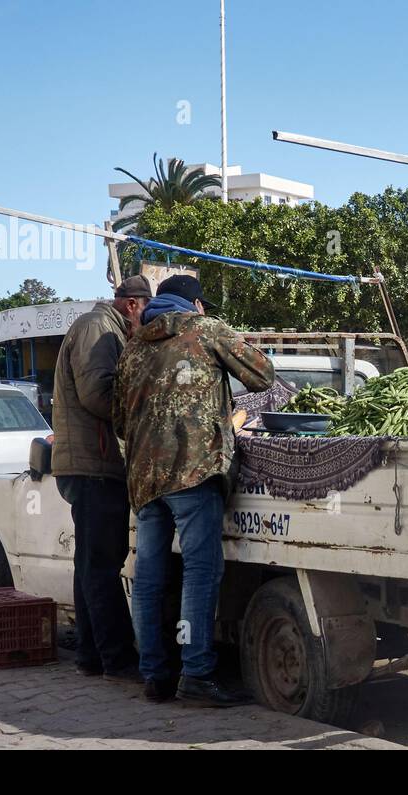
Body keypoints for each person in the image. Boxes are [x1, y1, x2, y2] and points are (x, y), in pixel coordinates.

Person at [113, 274, 275, 706]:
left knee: (148, 577)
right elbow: (263, 375)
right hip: (194, 470)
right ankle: (197, 673)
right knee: (200, 573)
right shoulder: (205, 329)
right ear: (196, 305)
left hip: (145, 480)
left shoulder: (133, 347)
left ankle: (154, 674)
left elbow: (118, 420)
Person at [51, 275, 152, 682]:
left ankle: (92, 655)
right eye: (147, 312)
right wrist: (144, 419)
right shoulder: (99, 328)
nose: (148, 321)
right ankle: (117, 658)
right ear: (133, 305)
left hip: (92, 462)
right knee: (103, 565)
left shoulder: (104, 326)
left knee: (91, 566)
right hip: (94, 463)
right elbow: (98, 393)